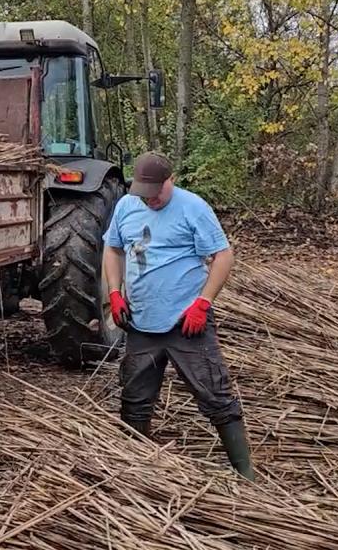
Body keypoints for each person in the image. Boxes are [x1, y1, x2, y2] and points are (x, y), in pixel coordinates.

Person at [102, 151, 255, 480]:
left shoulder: (193, 208)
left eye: (156, 193)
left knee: (215, 394)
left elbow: (223, 256)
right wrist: (114, 292)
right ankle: (136, 471)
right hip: (140, 321)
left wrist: (203, 303)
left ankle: (245, 473)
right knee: (135, 398)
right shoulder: (127, 207)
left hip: (185, 323)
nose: (151, 200)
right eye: (144, 194)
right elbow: (113, 249)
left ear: (171, 180)